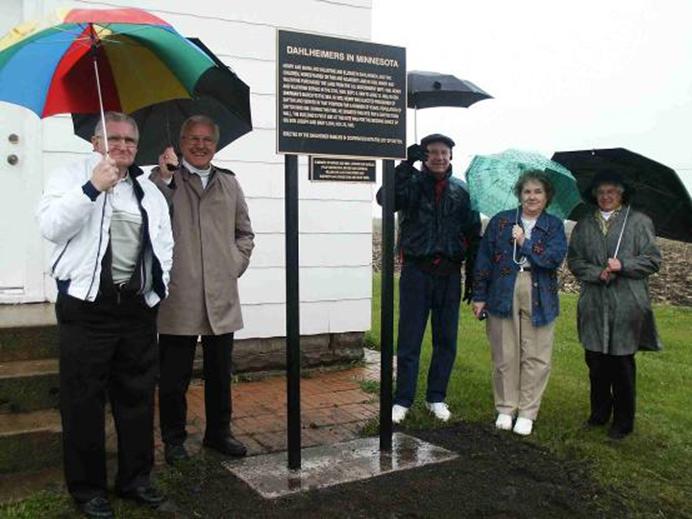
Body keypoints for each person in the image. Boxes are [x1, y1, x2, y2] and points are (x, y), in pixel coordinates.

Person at [36, 112, 173, 518]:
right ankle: (87, 489)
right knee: (83, 400)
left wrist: (155, 293)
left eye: (130, 140)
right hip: (86, 308)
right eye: (114, 138)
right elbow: (51, 226)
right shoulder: (69, 177)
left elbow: (164, 242)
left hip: (135, 311)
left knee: (136, 396)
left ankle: (135, 479)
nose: (124, 146)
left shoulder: (147, 191)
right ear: (95, 142)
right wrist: (93, 188)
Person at [150, 115, 254, 464]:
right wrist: (164, 176)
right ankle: (174, 440)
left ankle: (218, 434)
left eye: (207, 139)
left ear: (216, 144)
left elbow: (244, 233)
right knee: (174, 378)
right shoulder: (164, 179)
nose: (200, 144)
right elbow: (151, 218)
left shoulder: (229, 183)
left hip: (221, 296)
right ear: (180, 142)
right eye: (192, 138)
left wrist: (233, 264)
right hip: (179, 295)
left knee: (219, 374)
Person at [376, 134, 481, 424]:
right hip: (416, 272)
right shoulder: (411, 183)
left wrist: (472, 276)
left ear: (450, 156)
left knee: (446, 340)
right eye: (432, 152)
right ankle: (403, 399)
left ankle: (436, 397)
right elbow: (385, 199)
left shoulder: (461, 191)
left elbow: (473, 234)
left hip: (449, 275)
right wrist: (404, 166)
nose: (438, 157)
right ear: (425, 155)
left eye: (443, 152)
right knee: (409, 339)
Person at [567, 171, 661, 440]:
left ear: (621, 195)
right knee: (595, 363)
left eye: (612, 192)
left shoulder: (639, 222)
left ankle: (623, 422)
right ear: (594, 195)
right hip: (594, 305)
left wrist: (624, 265)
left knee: (621, 364)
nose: (606, 197)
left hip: (627, 305)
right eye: (601, 192)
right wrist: (597, 273)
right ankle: (598, 414)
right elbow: (575, 261)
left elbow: (653, 260)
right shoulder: (584, 225)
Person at [472, 170, 567, 436]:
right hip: (502, 290)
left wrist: (525, 243)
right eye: (527, 191)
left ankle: (527, 412)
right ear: (519, 194)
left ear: (547, 196)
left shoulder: (554, 226)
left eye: (538, 191)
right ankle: (505, 407)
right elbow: (484, 259)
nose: (532, 196)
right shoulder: (501, 222)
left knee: (536, 355)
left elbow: (552, 260)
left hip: (539, 292)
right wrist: (479, 295)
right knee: (505, 353)